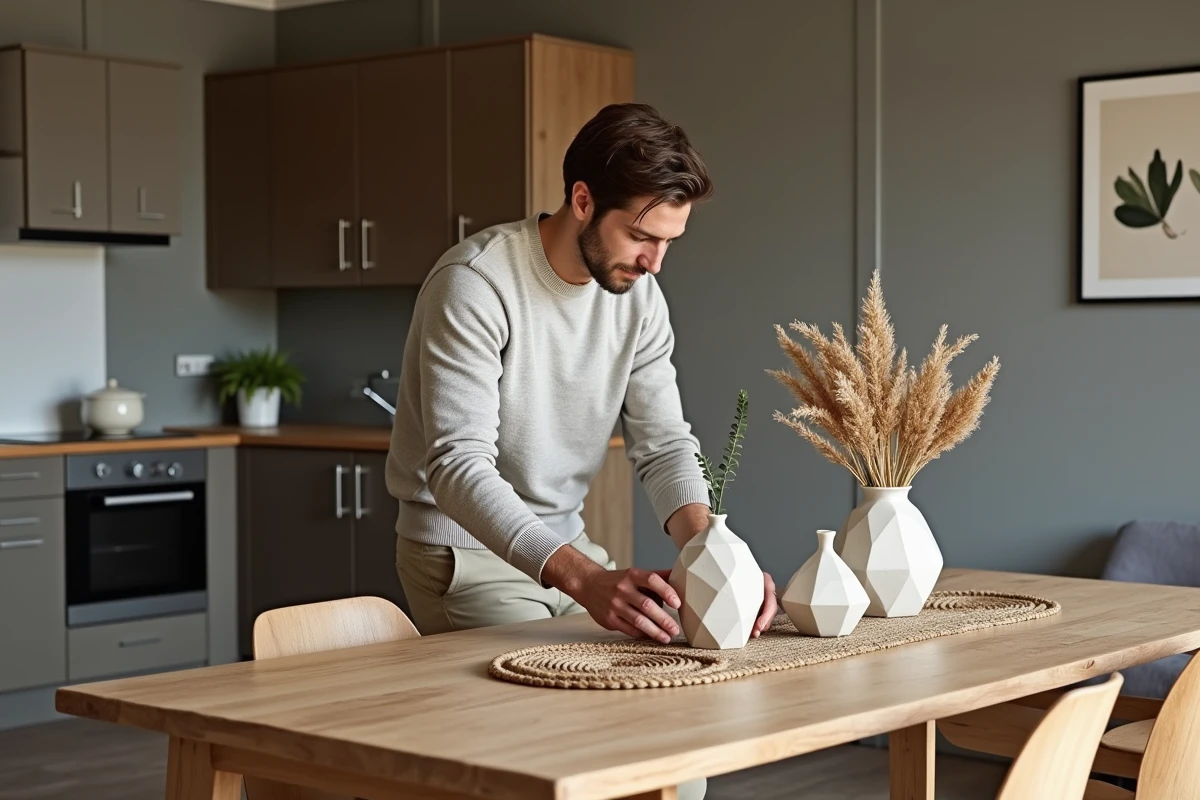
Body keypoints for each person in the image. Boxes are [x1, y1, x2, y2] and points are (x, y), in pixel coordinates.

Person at [388, 101, 777, 646]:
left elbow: (664, 445)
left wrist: (712, 554)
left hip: (567, 545)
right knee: (559, 712)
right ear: (582, 199)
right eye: (642, 236)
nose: (655, 263)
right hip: (465, 553)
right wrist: (586, 579)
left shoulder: (640, 299)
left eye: (670, 242)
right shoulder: (475, 284)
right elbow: (457, 466)